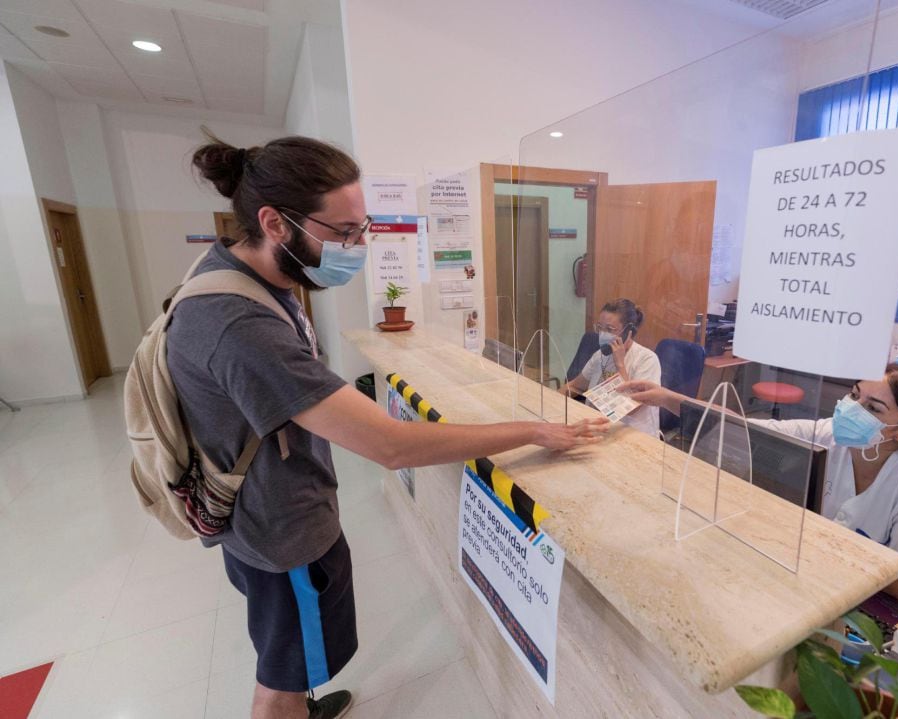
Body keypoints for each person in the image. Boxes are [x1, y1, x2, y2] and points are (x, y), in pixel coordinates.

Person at [169, 134, 608, 719]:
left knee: (288, 656)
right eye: (343, 233)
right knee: (281, 674)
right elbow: (390, 445)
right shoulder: (240, 323)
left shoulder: (238, 271)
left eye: (363, 228)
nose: (357, 246)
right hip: (279, 532)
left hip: (259, 514)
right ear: (274, 223)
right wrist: (531, 432)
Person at [620, 365, 898, 630]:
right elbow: (749, 430)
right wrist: (667, 397)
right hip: (840, 587)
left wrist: (815, 544)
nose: (852, 408)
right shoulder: (831, 435)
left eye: (873, 408)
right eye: (854, 394)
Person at [561, 298, 662, 437]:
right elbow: (575, 386)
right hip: (599, 429)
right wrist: (550, 401)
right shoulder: (599, 355)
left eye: (609, 329)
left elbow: (631, 407)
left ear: (629, 331)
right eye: (600, 327)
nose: (602, 334)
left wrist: (620, 363)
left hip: (633, 436)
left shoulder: (647, 360)